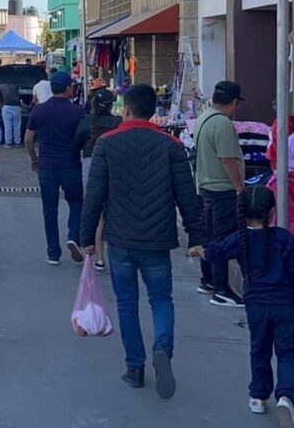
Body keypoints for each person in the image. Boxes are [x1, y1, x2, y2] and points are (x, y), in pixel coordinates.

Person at [81, 83, 205, 399]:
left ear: (127, 109)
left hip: (120, 239)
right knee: (161, 299)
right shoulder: (171, 145)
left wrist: (86, 238)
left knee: (126, 303)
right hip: (158, 239)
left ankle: (135, 367)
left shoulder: (107, 144)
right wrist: (196, 235)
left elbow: (94, 195)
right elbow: (187, 196)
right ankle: (162, 349)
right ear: (152, 111)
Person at [189, 187, 294, 425]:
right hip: (286, 306)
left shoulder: (240, 239)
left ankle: (258, 397)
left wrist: (199, 250)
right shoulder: (282, 237)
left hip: (256, 307)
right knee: (290, 352)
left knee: (259, 350)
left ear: (242, 213)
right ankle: (286, 397)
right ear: (272, 212)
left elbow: (216, 252)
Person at [195, 80, 248, 307]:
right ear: (234, 102)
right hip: (223, 189)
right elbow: (227, 160)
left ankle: (207, 280)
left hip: (206, 187)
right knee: (223, 240)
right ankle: (221, 289)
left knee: (209, 237)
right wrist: (239, 188)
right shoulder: (223, 124)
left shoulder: (203, 118)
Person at [25, 71, 86, 265]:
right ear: (68, 88)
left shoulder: (39, 110)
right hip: (71, 164)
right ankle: (73, 237)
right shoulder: (77, 111)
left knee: (49, 209)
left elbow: (28, 138)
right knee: (76, 203)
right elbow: (83, 137)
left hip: (47, 165)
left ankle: (53, 252)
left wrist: (34, 158)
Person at [73, 88, 122, 269]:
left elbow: (75, 144)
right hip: (115, 167)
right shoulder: (118, 123)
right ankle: (114, 254)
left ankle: (99, 257)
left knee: (97, 212)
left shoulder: (86, 123)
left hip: (90, 166)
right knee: (113, 212)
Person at [0, 80, 23, 149]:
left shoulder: (1, 86)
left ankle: (8, 143)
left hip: (6, 106)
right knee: (17, 125)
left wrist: (0, 107)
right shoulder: (14, 86)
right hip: (17, 106)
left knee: (8, 125)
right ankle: (17, 143)